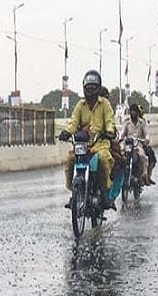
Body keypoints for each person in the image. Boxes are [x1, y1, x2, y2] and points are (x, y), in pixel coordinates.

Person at [58, 70, 116, 210]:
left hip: (100, 143)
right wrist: (67, 132)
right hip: (82, 144)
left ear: (98, 88)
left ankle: (105, 192)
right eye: (88, 87)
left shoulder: (105, 104)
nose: (90, 90)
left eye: (93, 87)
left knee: (104, 159)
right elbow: (73, 122)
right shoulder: (80, 105)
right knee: (70, 160)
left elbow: (109, 121)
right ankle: (74, 192)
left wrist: (109, 131)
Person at [119, 103, 154, 185]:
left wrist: (146, 139)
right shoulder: (127, 122)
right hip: (128, 146)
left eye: (134, 111)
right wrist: (120, 138)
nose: (133, 113)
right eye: (132, 111)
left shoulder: (142, 123)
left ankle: (144, 175)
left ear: (137, 113)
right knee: (121, 156)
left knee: (143, 157)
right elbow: (122, 132)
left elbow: (146, 133)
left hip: (138, 146)